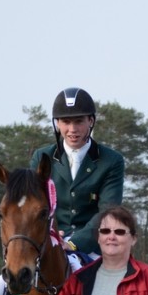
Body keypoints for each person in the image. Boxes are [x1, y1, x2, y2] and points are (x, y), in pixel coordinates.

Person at [29, 87, 125, 258]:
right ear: (57, 123)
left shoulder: (111, 161)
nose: (72, 129)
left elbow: (107, 211)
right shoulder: (42, 157)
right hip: (48, 242)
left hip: (91, 246)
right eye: (66, 122)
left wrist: (75, 243)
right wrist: (50, 233)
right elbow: (33, 205)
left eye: (79, 121)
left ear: (91, 121)